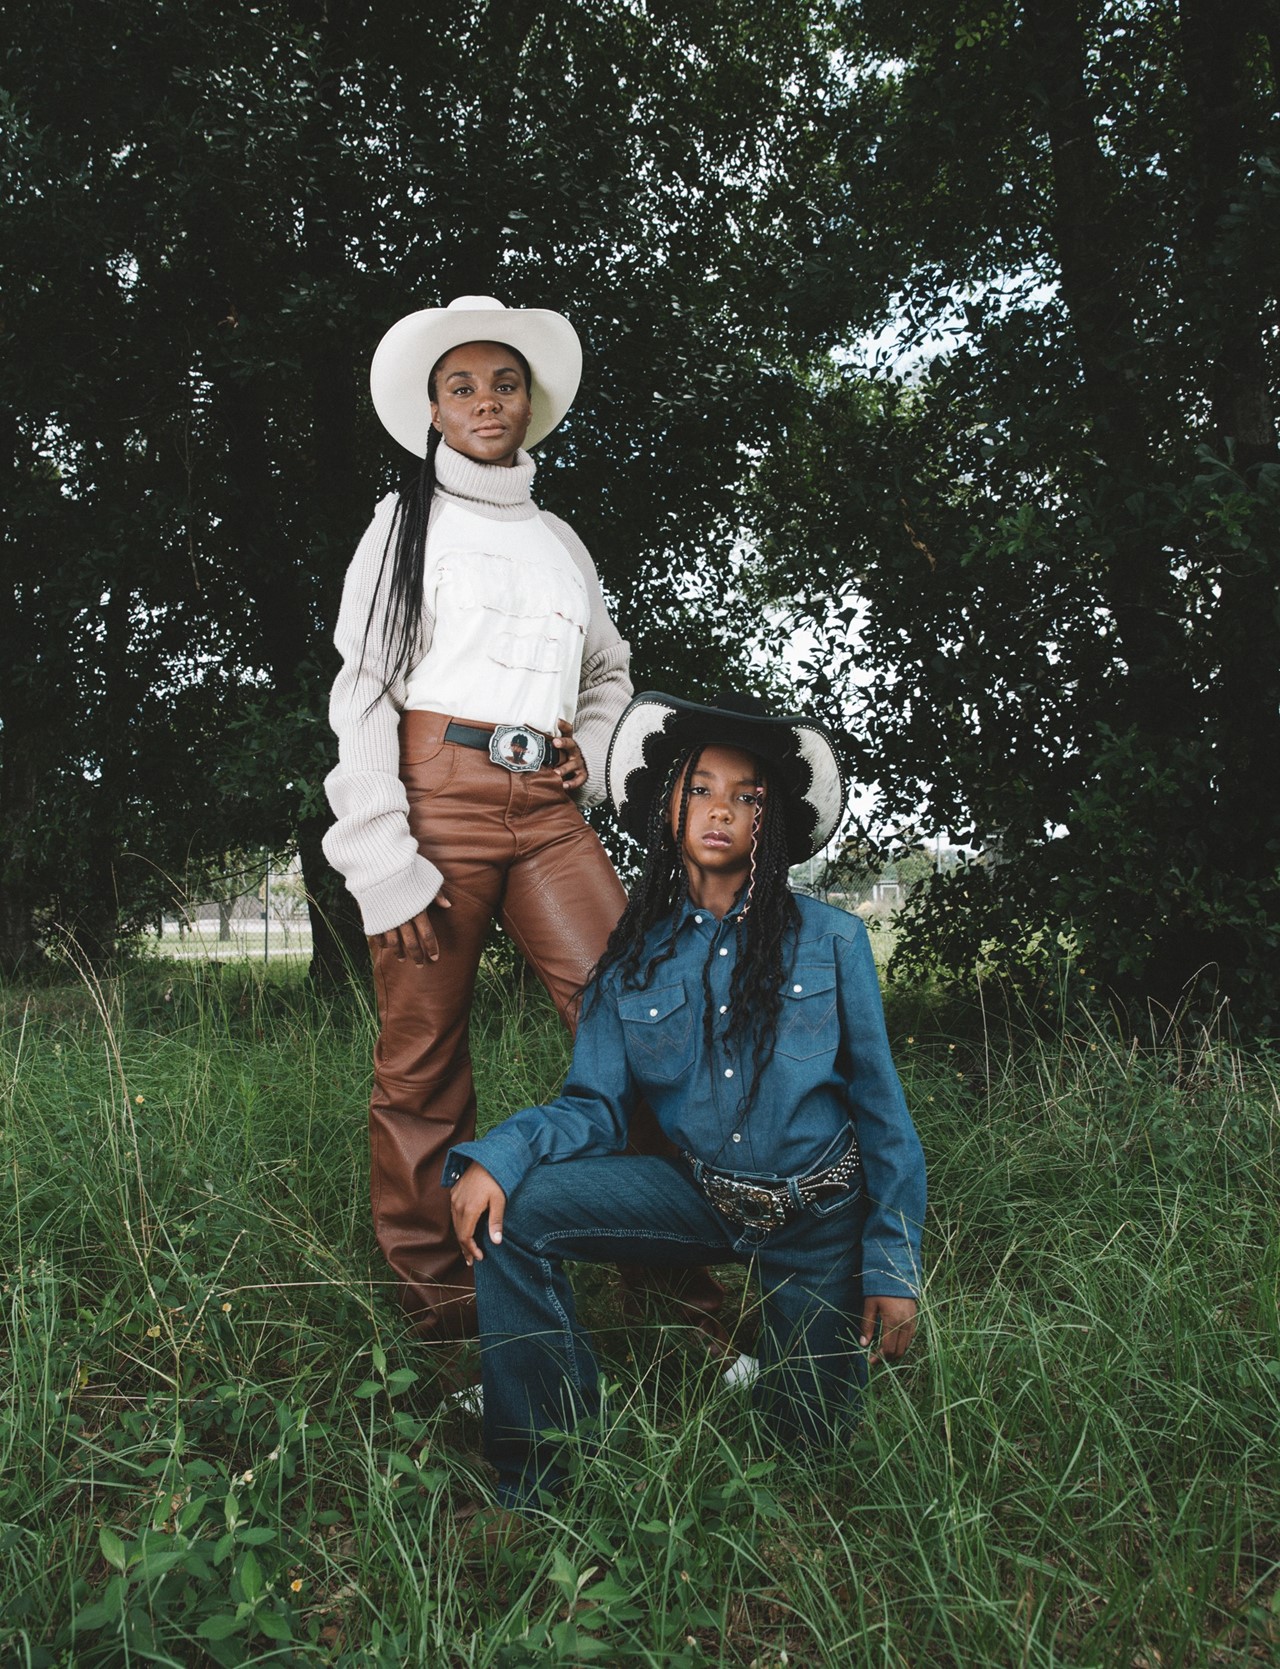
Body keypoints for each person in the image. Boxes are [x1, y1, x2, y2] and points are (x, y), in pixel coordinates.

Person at [323, 298, 724, 1350]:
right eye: (461, 385)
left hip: (547, 811)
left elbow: (609, 671)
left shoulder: (559, 541)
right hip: (432, 801)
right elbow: (363, 688)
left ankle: (678, 1301)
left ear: (530, 401)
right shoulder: (401, 522)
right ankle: (447, 1321)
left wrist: (589, 755)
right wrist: (378, 853)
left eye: (503, 382)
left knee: (640, 1026)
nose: (485, 401)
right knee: (420, 1065)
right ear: (432, 408)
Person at [446, 690, 927, 1515]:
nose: (721, 810)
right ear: (669, 809)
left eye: (748, 797)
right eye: (701, 788)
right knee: (514, 1210)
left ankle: (780, 1366)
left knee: (805, 1454)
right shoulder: (632, 960)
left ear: (768, 826)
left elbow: (885, 1119)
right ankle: (543, 1465)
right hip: (703, 1198)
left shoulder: (835, 941)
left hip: (818, 1221)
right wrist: (501, 1151)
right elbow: (591, 1106)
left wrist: (892, 1265)